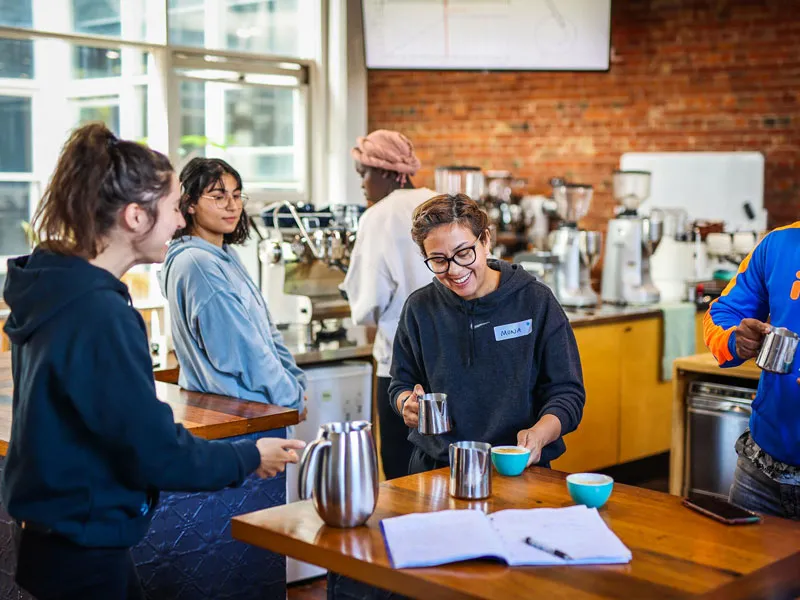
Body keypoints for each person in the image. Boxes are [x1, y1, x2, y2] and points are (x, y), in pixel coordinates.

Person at [1, 124, 305, 600]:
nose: (180, 223)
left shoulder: (50, 287)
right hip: (84, 544)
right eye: (171, 208)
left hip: (57, 536)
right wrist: (250, 455)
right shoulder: (98, 313)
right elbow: (155, 452)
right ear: (135, 217)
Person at [389, 193, 586, 474]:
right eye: (439, 260)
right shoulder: (420, 308)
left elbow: (567, 392)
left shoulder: (534, 301)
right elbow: (400, 383)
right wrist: (406, 404)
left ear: (485, 240)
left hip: (517, 466)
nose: (455, 270)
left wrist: (540, 434)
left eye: (463, 253)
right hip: (438, 469)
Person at [159, 157, 306, 417]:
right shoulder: (198, 264)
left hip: (264, 407)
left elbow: (267, 333)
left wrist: (295, 382)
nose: (232, 205)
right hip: (240, 414)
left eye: (237, 195)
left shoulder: (224, 254)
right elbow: (241, 350)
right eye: (218, 196)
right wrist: (291, 396)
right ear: (190, 203)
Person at [340, 130, 435, 479]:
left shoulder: (378, 216)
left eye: (364, 173)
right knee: (444, 469)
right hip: (452, 365)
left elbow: (368, 302)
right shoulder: (443, 201)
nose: (363, 185)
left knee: (401, 474)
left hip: (400, 370)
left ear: (387, 171)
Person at [703, 225, 800, 519]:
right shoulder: (778, 243)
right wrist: (736, 338)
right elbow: (722, 313)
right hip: (760, 474)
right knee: (738, 565)